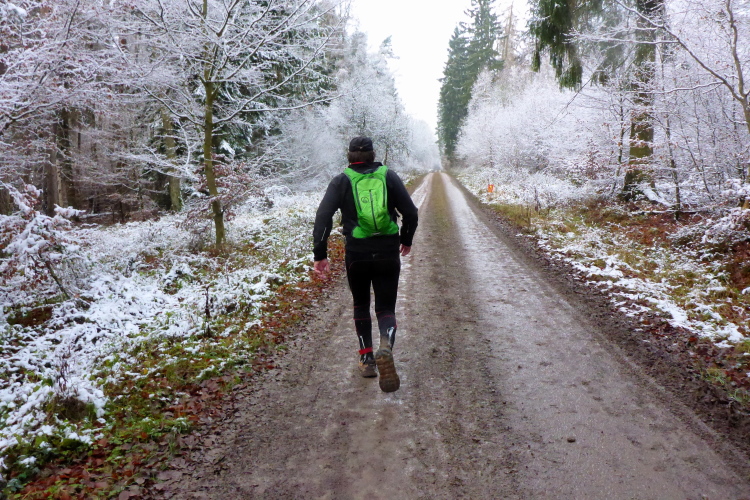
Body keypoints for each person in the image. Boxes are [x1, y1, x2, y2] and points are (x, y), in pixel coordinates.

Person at [312, 137, 418, 392]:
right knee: (385, 307)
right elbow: (411, 213)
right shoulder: (388, 176)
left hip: (357, 254)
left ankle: (367, 359)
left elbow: (323, 216)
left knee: (360, 304)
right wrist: (406, 239)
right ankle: (386, 346)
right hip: (387, 252)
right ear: (372, 154)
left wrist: (320, 254)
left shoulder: (341, 180)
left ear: (349, 155)